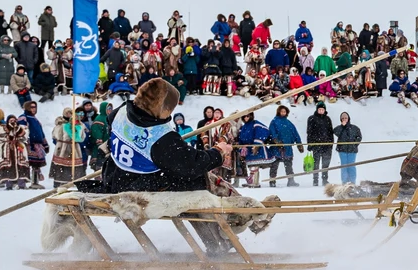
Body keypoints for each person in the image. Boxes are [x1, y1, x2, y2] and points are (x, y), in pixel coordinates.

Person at [101, 78, 229, 193]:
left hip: (114, 177)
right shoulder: (161, 137)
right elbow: (191, 165)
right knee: (198, 177)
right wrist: (218, 152)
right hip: (136, 188)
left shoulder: (120, 111)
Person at [48, 108, 86, 187]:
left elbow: (81, 137)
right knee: (60, 166)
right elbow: (56, 135)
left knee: (74, 166)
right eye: (67, 113)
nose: (69, 115)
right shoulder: (60, 124)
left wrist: (77, 128)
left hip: (74, 148)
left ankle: (74, 182)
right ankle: (58, 183)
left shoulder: (78, 124)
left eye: (70, 113)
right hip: (62, 147)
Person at [0, 114, 30, 189]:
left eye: (14, 120)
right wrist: (10, 134)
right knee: (8, 166)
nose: (13, 122)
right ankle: (9, 184)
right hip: (7, 149)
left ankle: (21, 184)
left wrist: (16, 130)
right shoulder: (1, 128)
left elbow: (24, 136)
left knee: (20, 165)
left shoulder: (21, 128)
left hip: (19, 149)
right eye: (11, 120)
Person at [268, 104, 303, 187]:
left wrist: (299, 143)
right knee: (274, 165)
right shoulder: (274, 121)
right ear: (279, 112)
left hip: (287, 148)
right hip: (277, 148)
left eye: (284, 111)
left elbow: (295, 133)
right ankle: (272, 181)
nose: (283, 113)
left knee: (289, 166)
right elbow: (272, 132)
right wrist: (276, 140)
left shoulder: (288, 123)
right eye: (282, 111)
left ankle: (291, 181)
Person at [237, 112, 274, 187]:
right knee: (251, 166)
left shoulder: (255, 124)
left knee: (255, 165)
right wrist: (241, 148)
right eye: (244, 117)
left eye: (248, 116)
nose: (246, 118)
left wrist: (257, 144)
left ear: (251, 116)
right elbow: (240, 139)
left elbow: (264, 131)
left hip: (256, 148)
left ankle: (255, 182)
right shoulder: (243, 127)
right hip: (247, 149)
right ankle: (251, 180)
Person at [306, 102, 333, 186]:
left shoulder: (327, 119)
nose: (321, 111)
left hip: (326, 145)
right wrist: (310, 143)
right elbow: (309, 132)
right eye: (319, 109)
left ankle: (325, 179)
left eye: (322, 109)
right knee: (316, 163)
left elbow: (330, 132)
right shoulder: (311, 118)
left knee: (325, 163)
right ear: (317, 110)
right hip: (316, 144)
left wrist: (331, 143)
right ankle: (315, 180)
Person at [333, 112, 362, 184]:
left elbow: (359, 137)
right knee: (344, 166)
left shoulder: (355, 128)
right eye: (342, 118)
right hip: (342, 150)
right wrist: (342, 127)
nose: (344, 119)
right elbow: (335, 132)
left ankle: (352, 181)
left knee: (351, 166)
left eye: (345, 118)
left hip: (352, 150)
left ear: (348, 118)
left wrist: (354, 145)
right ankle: (344, 182)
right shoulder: (339, 128)